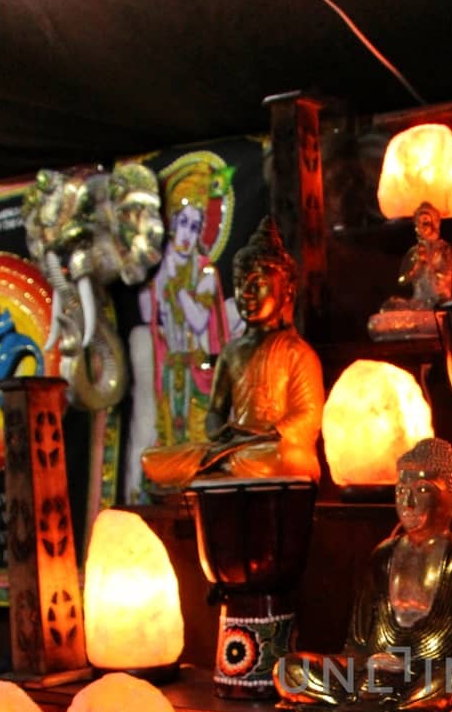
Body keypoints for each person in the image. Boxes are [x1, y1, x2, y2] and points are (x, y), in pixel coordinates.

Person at [275, 437, 452, 712]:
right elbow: (355, 645)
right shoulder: (383, 555)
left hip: (429, 677)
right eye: (401, 489)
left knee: (451, 686)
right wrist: (370, 663)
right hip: (372, 674)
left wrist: (415, 669)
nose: (408, 502)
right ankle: (376, 703)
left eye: (422, 490)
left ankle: (371, 703)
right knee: (287, 670)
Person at [141, 217, 323, 488]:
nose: (245, 294)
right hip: (235, 445)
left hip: (272, 448)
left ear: (287, 291)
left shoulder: (298, 352)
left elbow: (308, 416)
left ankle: (218, 467)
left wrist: (262, 435)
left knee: (283, 456)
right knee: (152, 459)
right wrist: (223, 434)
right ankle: (219, 464)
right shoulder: (232, 351)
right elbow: (216, 411)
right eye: (239, 284)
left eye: (257, 284)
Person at [125, 158, 235, 500]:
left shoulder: (204, 273)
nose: (187, 233)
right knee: (166, 436)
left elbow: (201, 321)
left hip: (199, 370)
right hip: (169, 370)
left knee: (200, 440)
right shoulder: (162, 271)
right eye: (182, 224)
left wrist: (177, 285)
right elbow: (147, 310)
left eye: (194, 225)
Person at [382, 201, 452, 310]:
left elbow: (447, 281)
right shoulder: (414, 251)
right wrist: (416, 266)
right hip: (418, 300)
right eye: (419, 224)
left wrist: (429, 263)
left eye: (426, 223)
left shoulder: (444, 249)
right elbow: (402, 280)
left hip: (438, 299)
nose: (422, 228)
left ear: (435, 224)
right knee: (388, 306)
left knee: (439, 306)